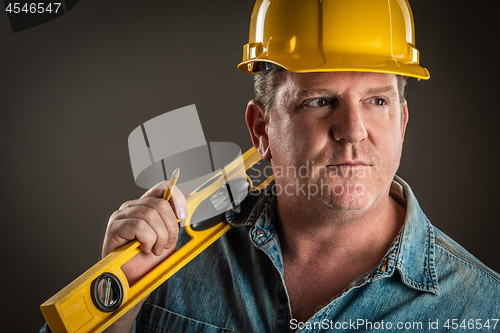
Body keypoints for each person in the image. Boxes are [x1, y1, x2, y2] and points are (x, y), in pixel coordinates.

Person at [40, 0, 500, 332]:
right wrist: (112, 307)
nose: (353, 130)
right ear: (262, 129)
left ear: (401, 121)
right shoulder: (171, 259)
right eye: (321, 102)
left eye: (377, 100)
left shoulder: (481, 309)